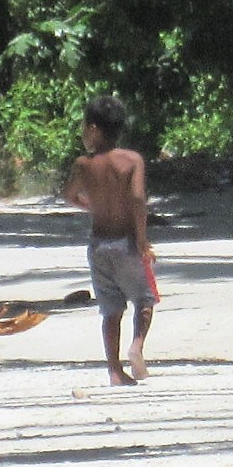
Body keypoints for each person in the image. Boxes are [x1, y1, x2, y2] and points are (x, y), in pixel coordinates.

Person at [65, 95, 157, 386]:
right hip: (125, 243)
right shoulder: (131, 161)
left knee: (111, 311)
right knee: (144, 300)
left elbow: (69, 195)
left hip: (98, 245)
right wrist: (142, 240)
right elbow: (138, 199)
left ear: (93, 130)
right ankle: (137, 346)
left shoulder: (83, 165)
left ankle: (115, 370)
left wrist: (91, 206)